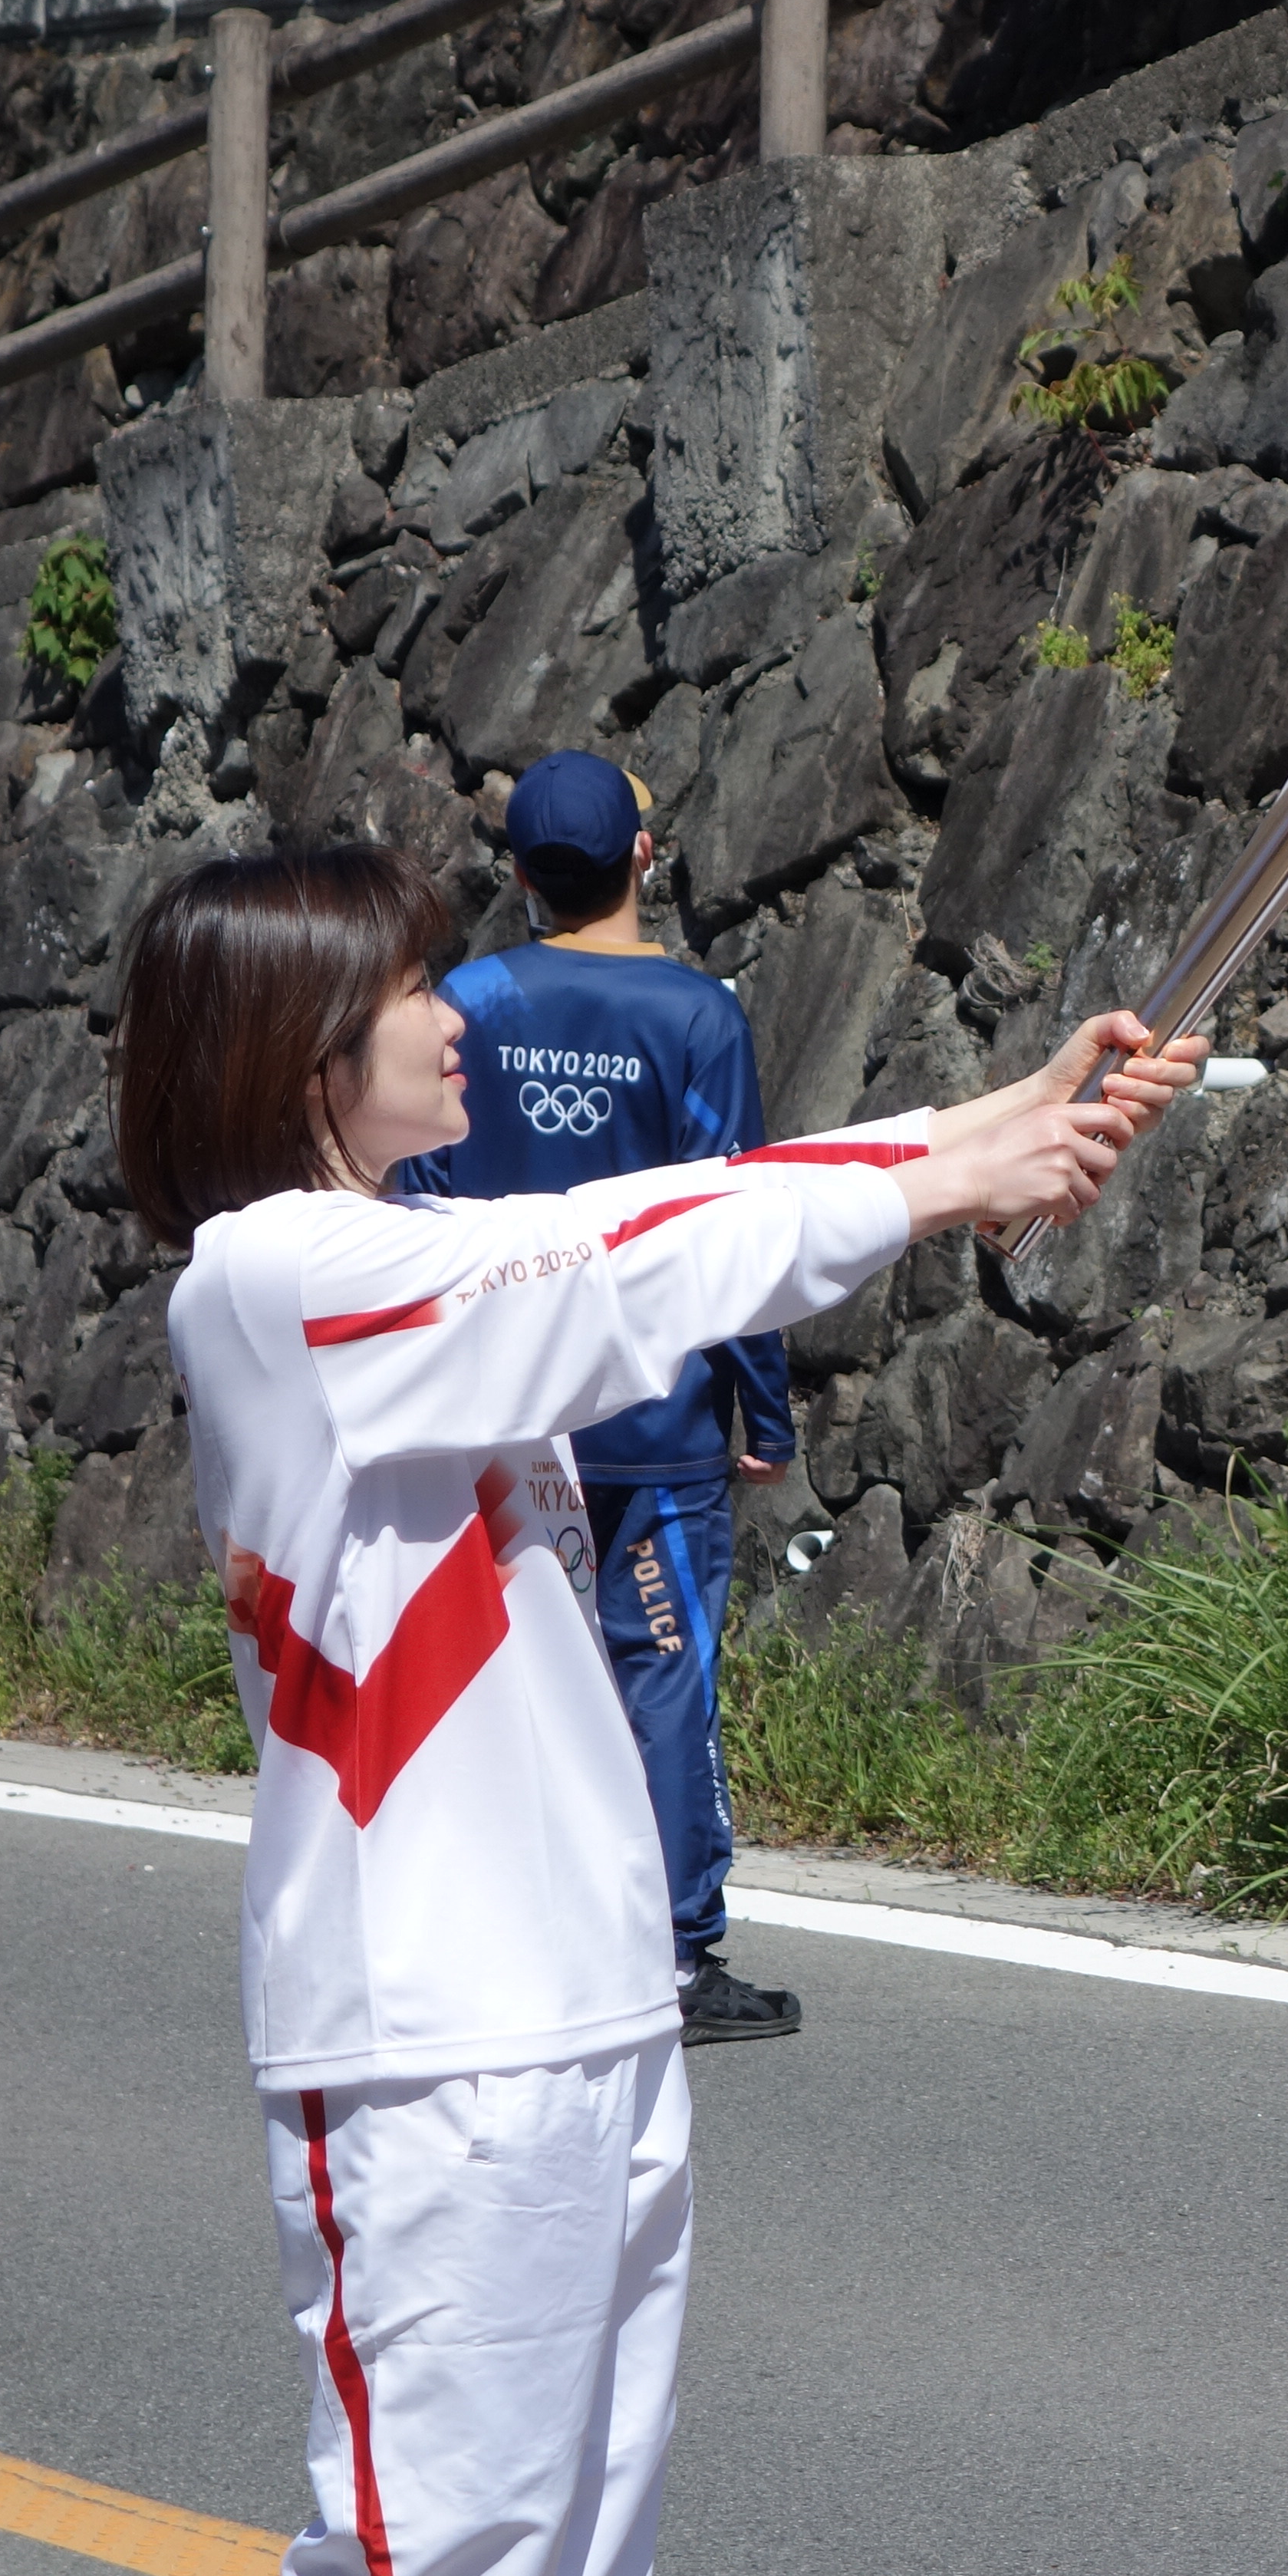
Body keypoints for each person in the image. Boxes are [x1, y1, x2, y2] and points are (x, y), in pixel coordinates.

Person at [119, 839, 1195, 2576]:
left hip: (585, 2017)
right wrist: (941, 1178)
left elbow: (648, 1218)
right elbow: (616, 1260)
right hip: (432, 2048)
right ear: (305, 1053)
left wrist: (998, 1116)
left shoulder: (411, 1266)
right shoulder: (274, 1280)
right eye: (413, 997)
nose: (459, 1019)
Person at [393, 753, 805, 2047]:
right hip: (655, 1423)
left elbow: (424, 1204)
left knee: (504, 1676)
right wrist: (767, 1412)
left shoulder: (466, 1001)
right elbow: (731, 1224)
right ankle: (679, 1960)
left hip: (504, 1422)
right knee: (663, 1677)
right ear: (645, 854)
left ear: (516, 876)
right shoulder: (697, 1019)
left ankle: (516, 1945)